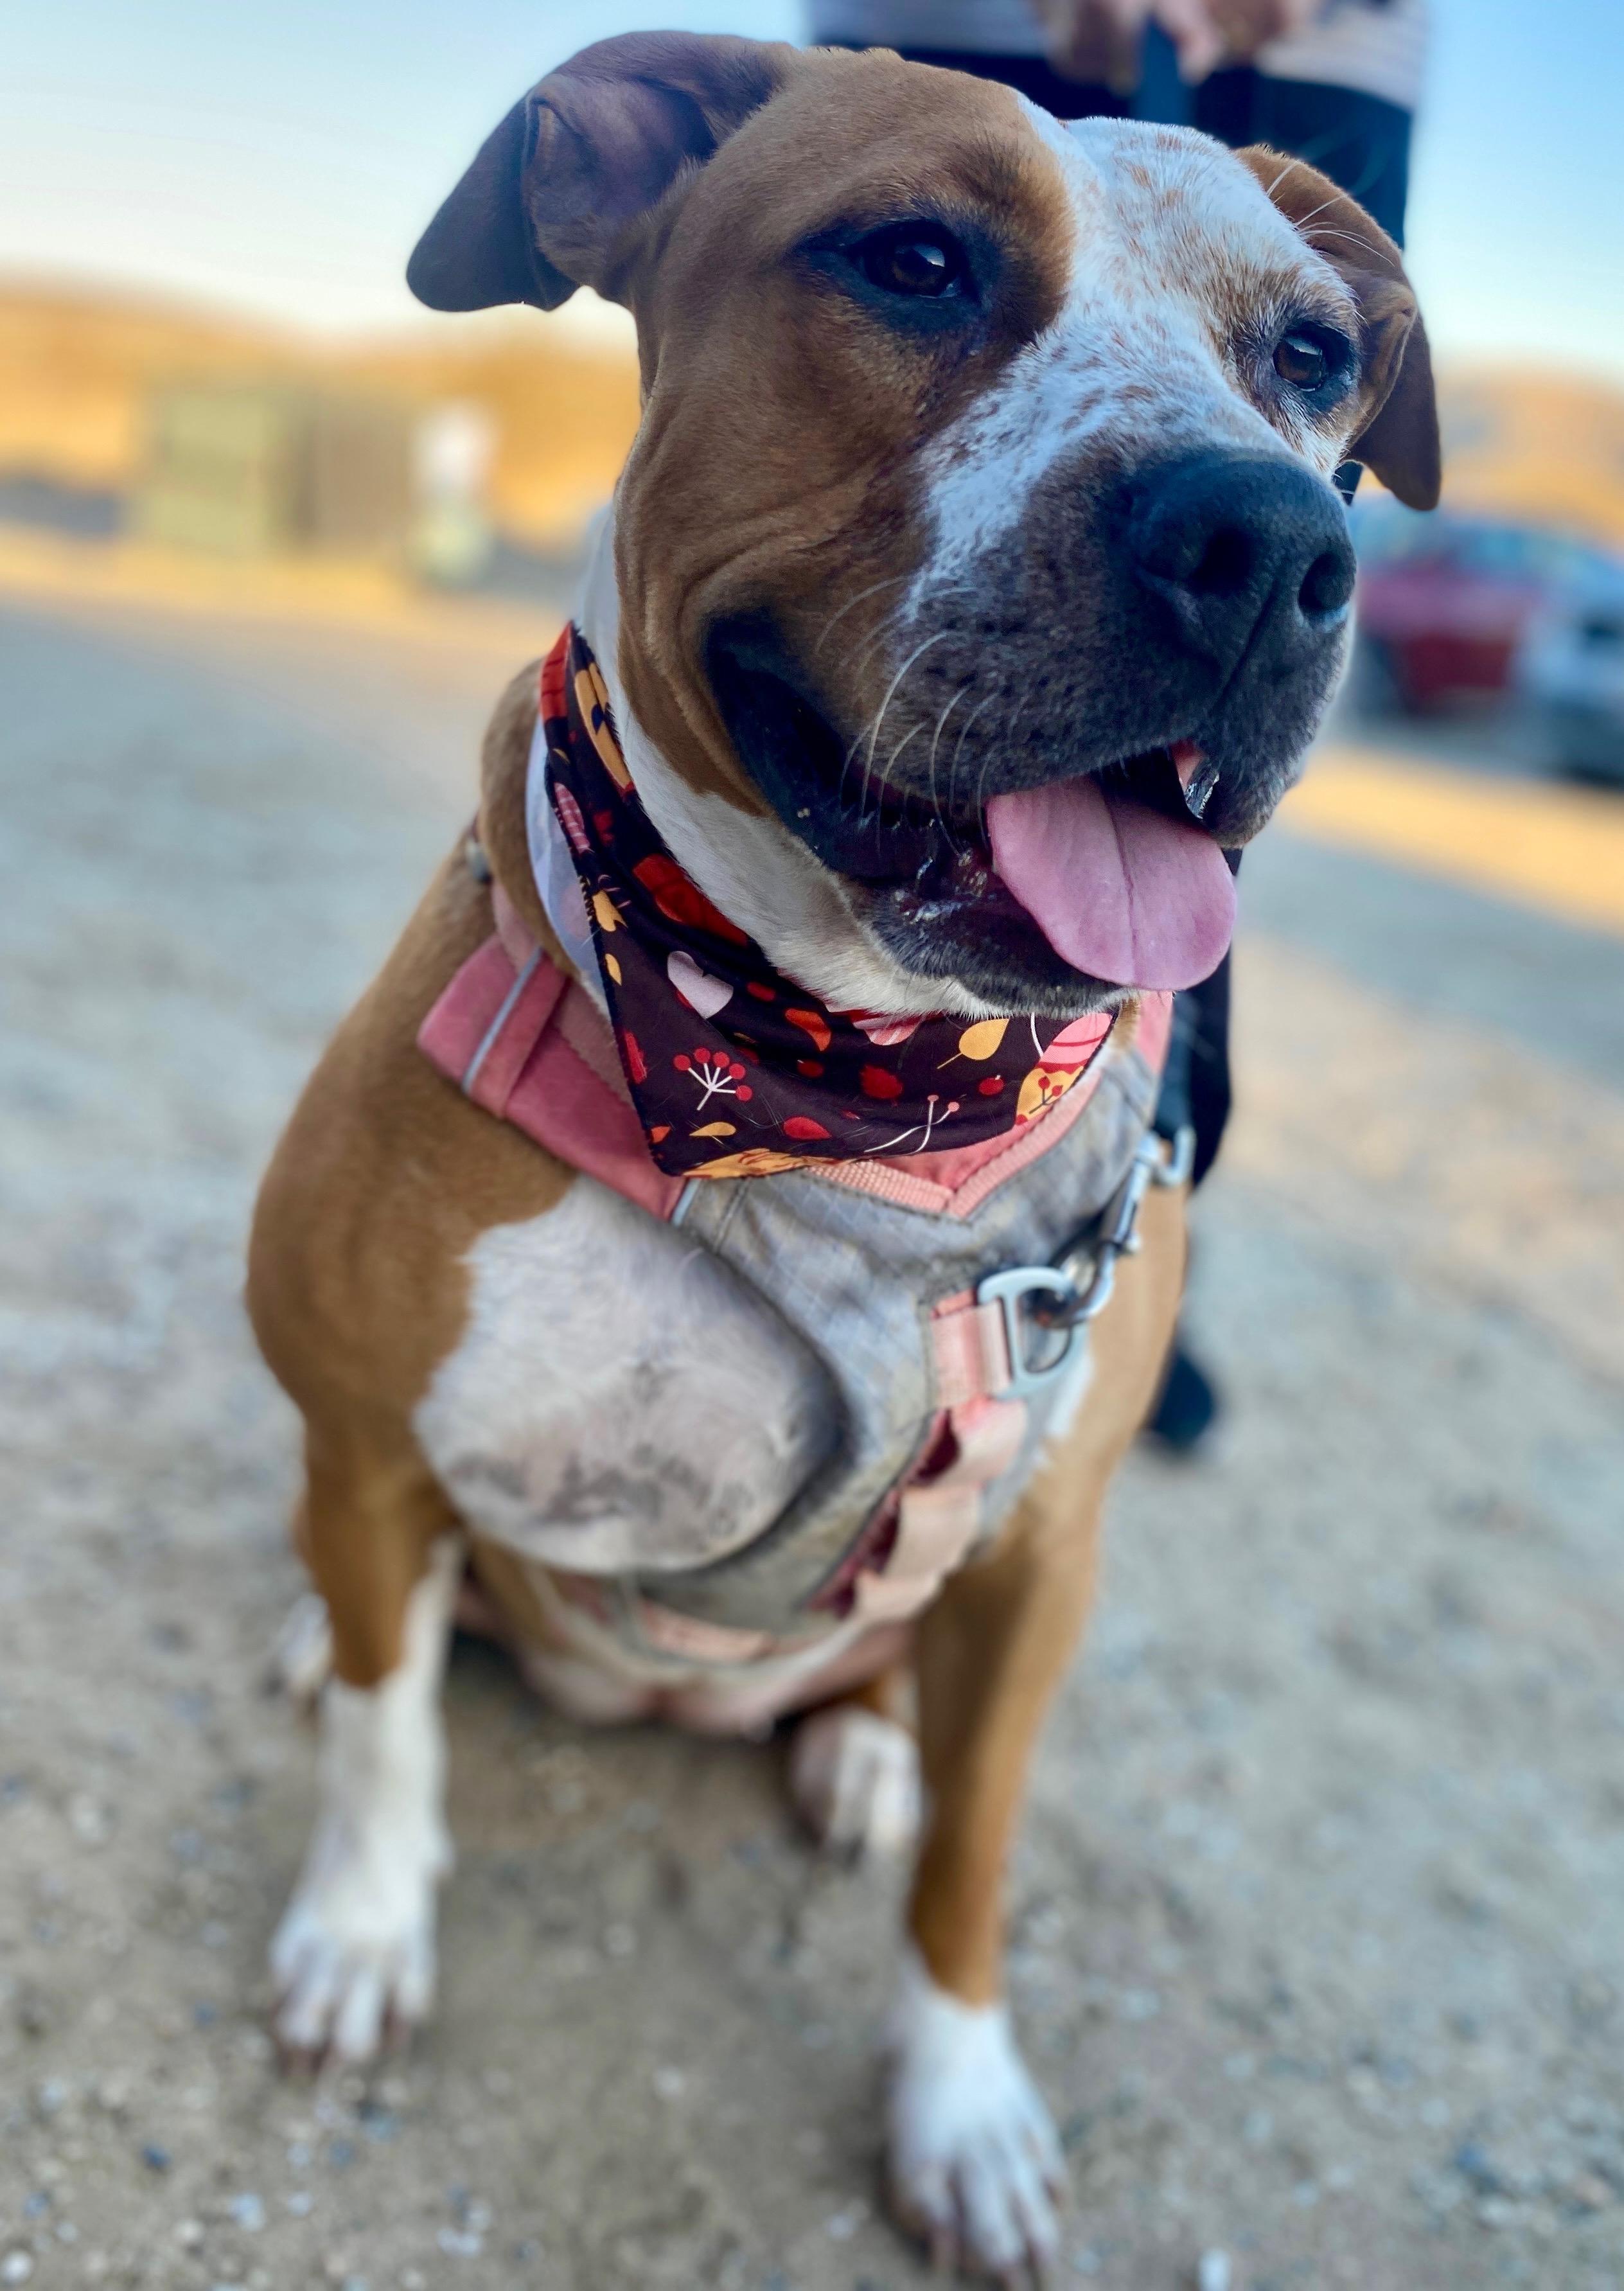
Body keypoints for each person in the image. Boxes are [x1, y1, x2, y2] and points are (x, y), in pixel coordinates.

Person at [805, 0, 1427, 1449]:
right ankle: (742, 1215)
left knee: (1186, 800)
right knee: (910, 600)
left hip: (1340, 39)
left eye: (1320, 362)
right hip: (957, 19)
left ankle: (1110, 1242)